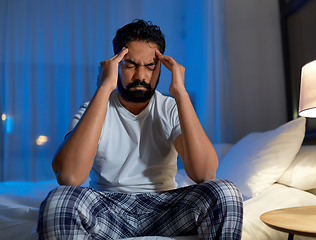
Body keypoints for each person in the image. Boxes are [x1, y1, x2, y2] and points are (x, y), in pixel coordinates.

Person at [37, 19, 243, 240]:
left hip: (165, 208)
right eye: (131, 65)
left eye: (151, 66)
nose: (141, 76)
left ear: (161, 67)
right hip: (108, 208)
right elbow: (69, 177)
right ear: (115, 65)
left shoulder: (172, 108)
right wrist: (104, 88)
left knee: (226, 192)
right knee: (58, 200)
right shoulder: (93, 109)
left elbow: (205, 174)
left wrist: (181, 93)